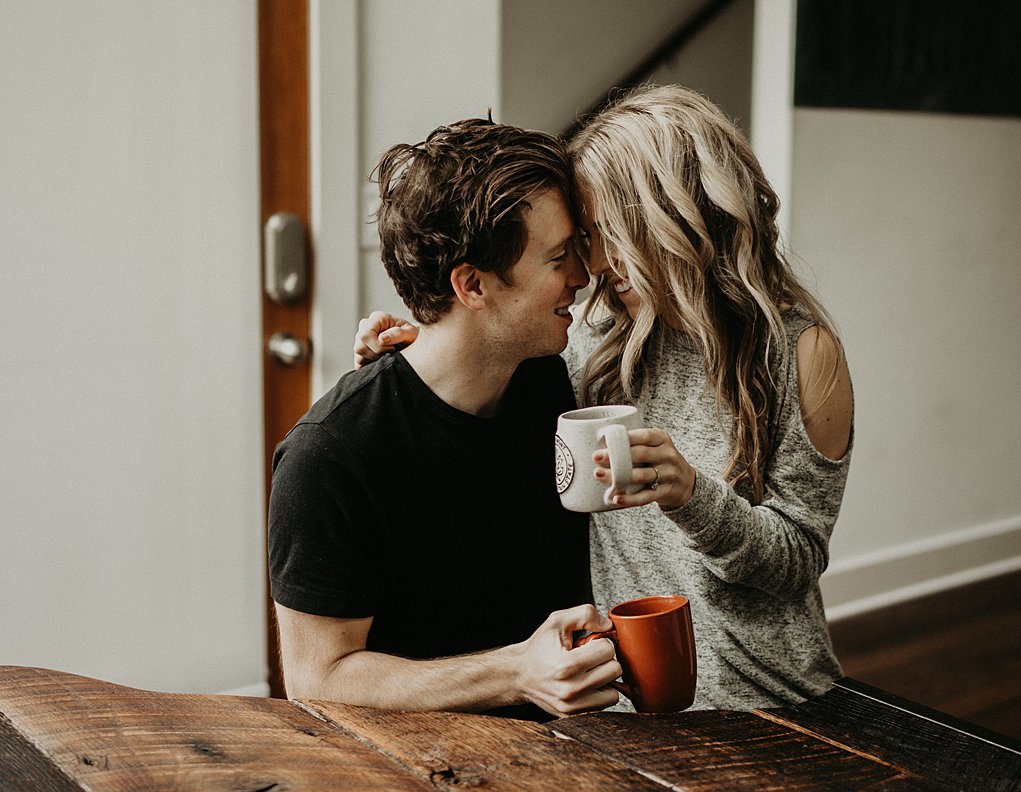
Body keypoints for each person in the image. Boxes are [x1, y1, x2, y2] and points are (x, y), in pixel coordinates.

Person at [356, 84, 854, 710]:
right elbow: (488, 337)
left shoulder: (802, 354)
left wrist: (693, 497)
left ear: (677, 219)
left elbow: (799, 560)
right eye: (586, 238)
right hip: (625, 706)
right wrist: (420, 344)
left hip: (775, 702)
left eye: (609, 233)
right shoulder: (593, 343)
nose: (593, 265)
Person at [270, 118, 622, 721]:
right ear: (473, 285)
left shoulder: (550, 384)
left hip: (577, 750)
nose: (582, 278)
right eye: (560, 258)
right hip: (414, 770)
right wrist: (517, 673)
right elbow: (317, 677)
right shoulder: (328, 457)